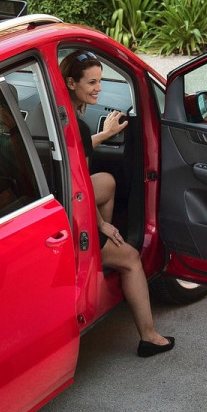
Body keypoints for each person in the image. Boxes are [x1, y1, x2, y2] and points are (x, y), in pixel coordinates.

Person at [62, 50, 175, 358]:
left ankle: (98, 257)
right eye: (92, 82)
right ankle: (149, 336)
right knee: (131, 259)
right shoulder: (76, 123)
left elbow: (75, 151)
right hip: (70, 211)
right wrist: (101, 225)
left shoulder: (59, 113)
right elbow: (78, 189)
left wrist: (104, 134)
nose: (99, 88)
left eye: (101, 80)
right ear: (71, 82)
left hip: (55, 201)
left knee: (108, 182)